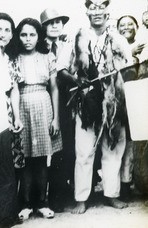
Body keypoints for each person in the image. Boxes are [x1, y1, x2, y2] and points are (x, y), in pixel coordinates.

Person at [57, 0, 133, 214]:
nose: (97, 10)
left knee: (114, 149)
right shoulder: (76, 36)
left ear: (108, 10)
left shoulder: (118, 38)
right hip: (86, 101)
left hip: (113, 101)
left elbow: (128, 68)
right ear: (87, 11)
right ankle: (81, 198)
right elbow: (61, 69)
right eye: (93, 6)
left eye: (102, 6)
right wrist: (77, 82)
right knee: (84, 150)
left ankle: (111, 195)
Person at [8, 17, 60, 221]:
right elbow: (13, 88)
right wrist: (16, 116)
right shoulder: (14, 58)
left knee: (42, 157)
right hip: (22, 104)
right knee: (25, 157)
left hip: (44, 104)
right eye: (23, 34)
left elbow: (54, 88)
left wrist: (55, 118)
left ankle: (42, 202)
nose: (27, 39)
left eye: (32, 34)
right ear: (18, 36)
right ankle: (26, 203)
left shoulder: (48, 57)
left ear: (39, 36)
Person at [40, 8, 73, 212]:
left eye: (58, 22)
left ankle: (60, 193)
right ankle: (41, 197)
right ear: (43, 26)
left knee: (65, 145)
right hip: (46, 97)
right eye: (50, 23)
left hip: (67, 98)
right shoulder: (38, 44)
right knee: (45, 148)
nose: (55, 26)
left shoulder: (67, 45)